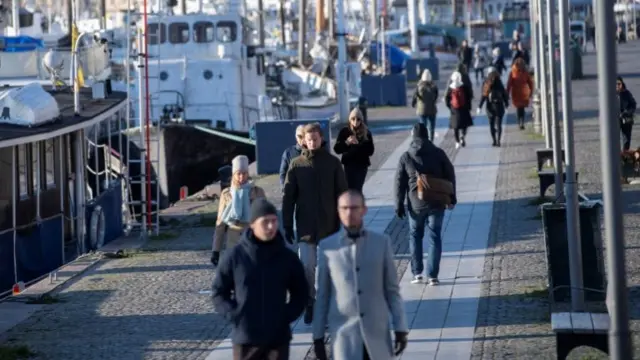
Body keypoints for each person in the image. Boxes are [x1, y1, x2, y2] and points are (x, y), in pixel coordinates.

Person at [312, 190, 409, 360]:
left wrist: (400, 327)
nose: (349, 213)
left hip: (377, 334)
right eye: (344, 208)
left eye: (354, 207)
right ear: (338, 211)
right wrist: (318, 336)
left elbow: (392, 290)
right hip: (344, 337)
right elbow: (322, 295)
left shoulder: (381, 242)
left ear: (363, 210)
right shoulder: (327, 247)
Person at [212, 198, 309, 360]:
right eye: (265, 222)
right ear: (253, 224)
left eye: (274, 221)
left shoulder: (287, 257)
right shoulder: (235, 257)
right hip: (246, 339)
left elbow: (301, 292)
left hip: (277, 339)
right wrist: (235, 315)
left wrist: (285, 315)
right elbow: (218, 292)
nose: (271, 227)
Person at [282, 122, 348, 324]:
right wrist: (286, 224)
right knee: (307, 266)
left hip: (329, 225)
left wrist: (346, 221)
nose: (311, 142)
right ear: (303, 141)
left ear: (321, 139)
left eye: (315, 139)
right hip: (305, 226)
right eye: (308, 139)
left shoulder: (332, 163)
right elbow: (288, 197)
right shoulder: (296, 165)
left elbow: (343, 194)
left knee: (327, 267)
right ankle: (310, 302)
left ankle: (327, 303)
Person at [394, 123, 456, 285]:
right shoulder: (439, 153)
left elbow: (399, 183)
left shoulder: (406, 157)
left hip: (415, 204)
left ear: (413, 136)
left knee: (415, 235)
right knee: (435, 236)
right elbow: (450, 174)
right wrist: (452, 197)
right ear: (427, 136)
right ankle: (433, 276)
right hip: (437, 202)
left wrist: (398, 204)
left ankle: (417, 273)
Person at [211, 155, 266, 266]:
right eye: (238, 174)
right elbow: (220, 223)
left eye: (244, 173)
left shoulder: (258, 192)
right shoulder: (227, 194)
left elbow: (265, 219)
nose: (241, 177)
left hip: (253, 240)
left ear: (248, 174)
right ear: (233, 175)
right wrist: (216, 250)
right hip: (233, 242)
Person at [334, 108, 375, 192]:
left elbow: (370, 151)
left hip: (362, 165)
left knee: (357, 189)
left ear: (361, 120)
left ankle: (358, 204)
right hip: (349, 164)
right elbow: (337, 149)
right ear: (350, 119)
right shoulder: (344, 131)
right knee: (349, 188)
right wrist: (346, 143)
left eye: (358, 119)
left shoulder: (366, 132)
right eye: (353, 119)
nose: (355, 121)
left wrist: (358, 144)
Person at [477, 68, 509, 147]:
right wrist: (506, 103)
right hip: (499, 106)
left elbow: (484, 95)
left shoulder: (487, 83)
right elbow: (504, 94)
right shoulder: (499, 82)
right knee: (499, 125)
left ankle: (494, 141)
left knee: (491, 124)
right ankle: (499, 141)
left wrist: (479, 106)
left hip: (490, 107)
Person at [445, 71, 474, 148]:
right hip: (464, 108)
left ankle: (457, 141)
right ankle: (463, 136)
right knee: (464, 125)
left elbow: (446, 98)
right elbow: (469, 97)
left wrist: (450, 106)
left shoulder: (450, 88)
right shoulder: (464, 87)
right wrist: (468, 107)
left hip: (454, 109)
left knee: (455, 126)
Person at [506, 57, 534, 130]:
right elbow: (509, 83)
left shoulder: (525, 72)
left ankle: (522, 122)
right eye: (519, 65)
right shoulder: (513, 72)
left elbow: (530, 82)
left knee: (522, 108)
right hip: (516, 92)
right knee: (519, 108)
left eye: (522, 65)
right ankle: (519, 122)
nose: (521, 67)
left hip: (524, 92)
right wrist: (507, 93)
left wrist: (531, 91)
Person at [411, 69, 439, 141]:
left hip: (421, 110)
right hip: (432, 109)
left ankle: (424, 140)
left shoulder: (419, 86)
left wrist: (413, 104)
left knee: (423, 126)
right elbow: (436, 97)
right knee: (432, 127)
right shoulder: (434, 86)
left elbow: (415, 96)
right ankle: (431, 140)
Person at [279, 125, 305, 192]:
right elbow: (283, 172)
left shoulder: (313, 151)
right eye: (300, 136)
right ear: (296, 137)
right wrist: (283, 187)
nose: (302, 139)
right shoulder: (288, 153)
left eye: (304, 135)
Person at [618, 76, 637, 151]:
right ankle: (615, 156)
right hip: (615, 119)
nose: (617, 86)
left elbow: (633, 104)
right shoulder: (610, 94)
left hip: (626, 118)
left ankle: (625, 155)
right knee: (614, 138)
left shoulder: (626, 93)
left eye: (619, 84)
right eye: (615, 84)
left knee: (626, 139)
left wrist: (627, 112)